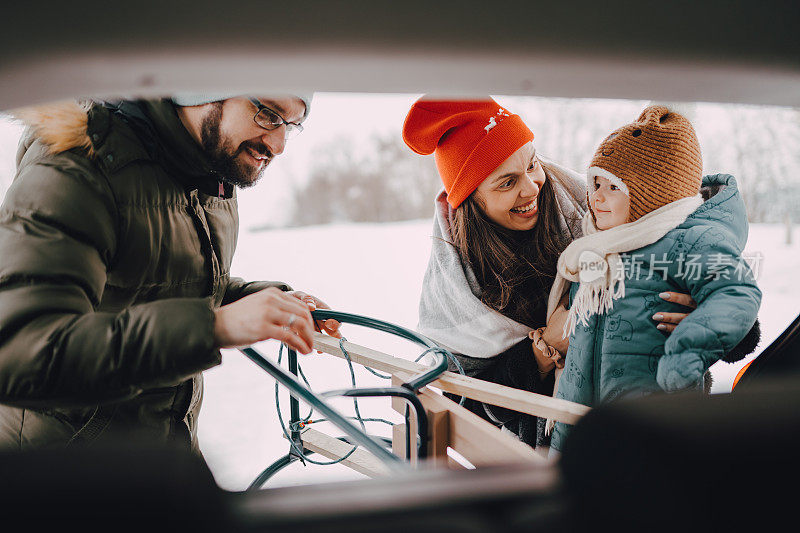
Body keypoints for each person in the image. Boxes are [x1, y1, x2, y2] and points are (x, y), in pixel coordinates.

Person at [403, 96, 761, 448]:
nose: (532, 187)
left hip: (658, 427)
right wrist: (544, 349)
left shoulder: (593, 213)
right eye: (507, 182)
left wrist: (701, 318)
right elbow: (471, 406)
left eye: (531, 164)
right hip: (545, 443)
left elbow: (732, 310)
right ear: (471, 199)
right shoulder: (460, 285)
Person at [0, 94, 340, 451]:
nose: (279, 144)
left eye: (292, 124)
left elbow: (159, 283)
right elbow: (21, 350)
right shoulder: (77, 166)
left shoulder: (212, 175)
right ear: (203, 87)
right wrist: (214, 327)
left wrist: (264, 301)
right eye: (268, 114)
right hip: (61, 477)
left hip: (163, 456)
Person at [547, 105, 762, 452]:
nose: (596, 197)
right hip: (578, 430)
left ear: (651, 195)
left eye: (613, 187)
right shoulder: (595, 248)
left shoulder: (688, 240)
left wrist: (688, 349)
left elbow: (736, 292)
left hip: (653, 431)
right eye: (595, 183)